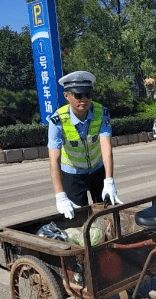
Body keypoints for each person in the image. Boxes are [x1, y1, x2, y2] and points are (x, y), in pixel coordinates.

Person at [47, 71, 122, 219]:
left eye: (88, 94)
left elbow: (106, 146)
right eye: (78, 95)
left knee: (107, 215)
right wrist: (60, 195)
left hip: (97, 169)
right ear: (67, 96)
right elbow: (54, 160)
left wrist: (109, 180)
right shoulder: (57, 120)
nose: (84, 99)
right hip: (73, 174)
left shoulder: (102, 112)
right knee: (79, 218)